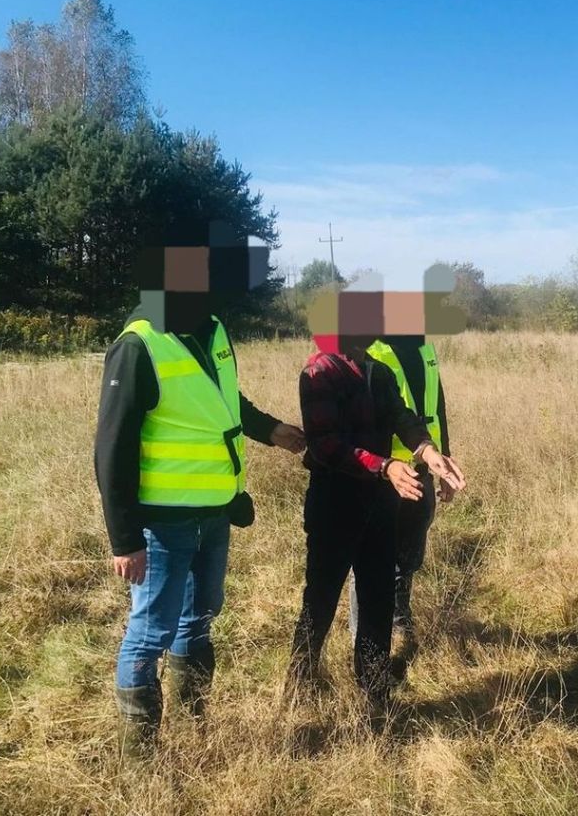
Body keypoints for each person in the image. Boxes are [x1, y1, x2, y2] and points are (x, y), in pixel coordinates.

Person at [95, 231, 304, 759]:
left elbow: (222, 400)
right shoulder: (138, 345)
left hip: (215, 514)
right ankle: (139, 761)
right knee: (149, 632)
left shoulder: (211, 330)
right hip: (161, 525)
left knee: (199, 617)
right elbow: (111, 450)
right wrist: (124, 539)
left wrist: (271, 428)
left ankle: (193, 725)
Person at [288, 334, 466, 708]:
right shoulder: (319, 372)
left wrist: (429, 451)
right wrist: (385, 466)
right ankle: (300, 679)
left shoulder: (378, 372)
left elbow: (402, 417)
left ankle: (373, 687)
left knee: (378, 596)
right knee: (321, 596)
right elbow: (327, 445)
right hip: (334, 500)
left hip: (381, 501)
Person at [348, 333, 451, 674]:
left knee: (408, 559)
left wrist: (444, 458)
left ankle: (398, 618)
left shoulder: (424, 347)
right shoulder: (369, 350)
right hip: (384, 474)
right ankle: (366, 650)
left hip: (422, 468)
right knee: (373, 564)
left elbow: (437, 406)